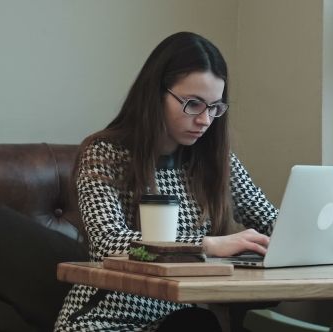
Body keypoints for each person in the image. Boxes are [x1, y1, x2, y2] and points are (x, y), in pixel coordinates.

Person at [54, 31, 278, 332]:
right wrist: (207, 246)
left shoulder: (215, 160)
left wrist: (313, 241)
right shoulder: (104, 153)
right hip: (103, 321)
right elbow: (107, 245)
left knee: (198, 323)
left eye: (214, 107)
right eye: (193, 104)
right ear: (156, 93)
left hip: (175, 321)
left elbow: (269, 219)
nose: (205, 121)